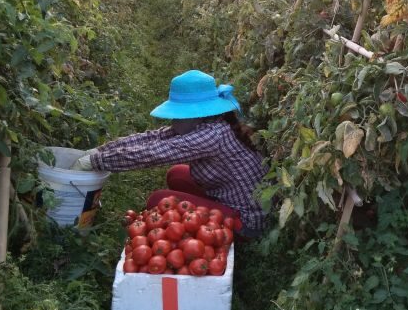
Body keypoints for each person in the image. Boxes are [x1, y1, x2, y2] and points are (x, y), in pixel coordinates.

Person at [72, 70, 269, 238]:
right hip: (229, 198)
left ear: (197, 114)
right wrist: (100, 151)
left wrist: (95, 162)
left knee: (158, 201)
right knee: (176, 174)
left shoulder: (212, 135)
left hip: (247, 221)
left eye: (178, 114)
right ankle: (213, 209)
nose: (173, 120)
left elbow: (152, 153)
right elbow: (154, 138)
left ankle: (231, 234)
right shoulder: (211, 122)